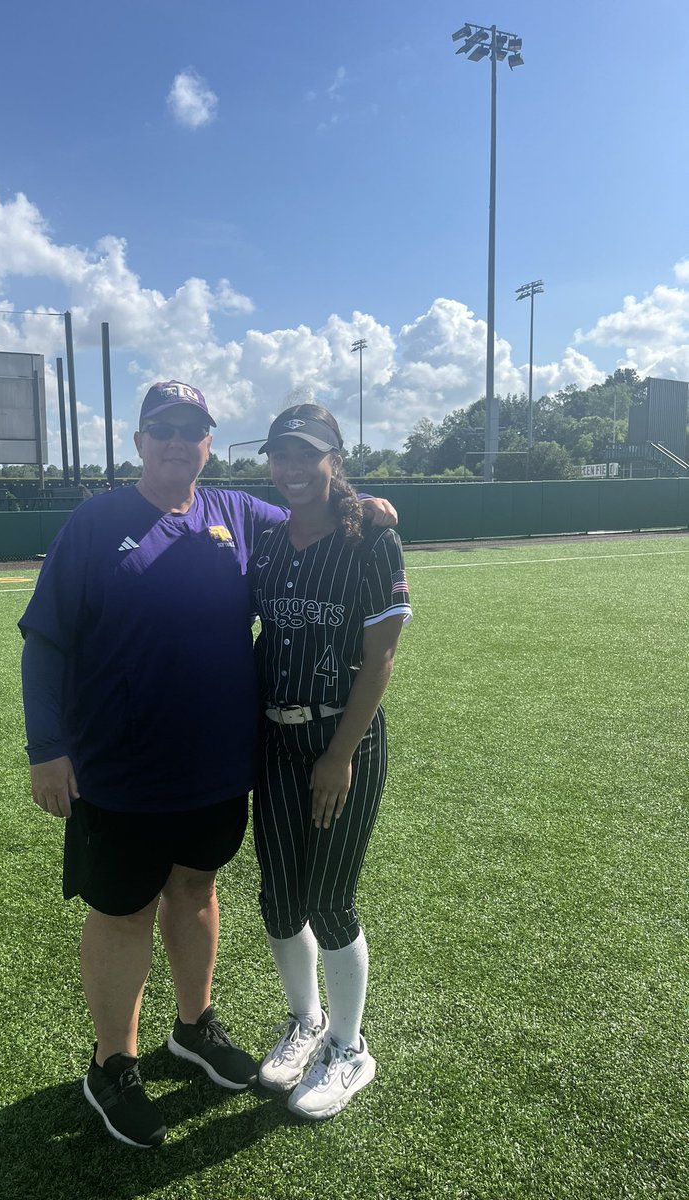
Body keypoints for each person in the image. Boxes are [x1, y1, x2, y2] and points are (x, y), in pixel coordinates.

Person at [18, 381, 398, 1150]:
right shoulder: (95, 523)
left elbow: (315, 513)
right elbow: (45, 640)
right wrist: (46, 748)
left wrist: (373, 506)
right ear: (137, 440)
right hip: (119, 767)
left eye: (190, 431)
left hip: (220, 764)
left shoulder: (236, 513)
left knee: (196, 889)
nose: (174, 442)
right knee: (122, 910)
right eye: (160, 428)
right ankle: (114, 1065)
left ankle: (194, 1028)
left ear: (208, 444)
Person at [252, 403, 412, 1121]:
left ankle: (349, 1048)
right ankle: (307, 1022)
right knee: (280, 900)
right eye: (279, 455)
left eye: (305, 455)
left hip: (341, 742)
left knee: (330, 902)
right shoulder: (265, 538)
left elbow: (381, 661)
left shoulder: (372, 539)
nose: (290, 468)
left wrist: (340, 755)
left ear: (334, 461)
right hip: (274, 742)